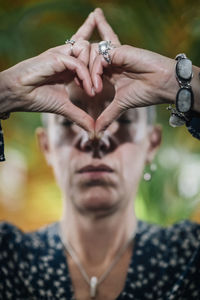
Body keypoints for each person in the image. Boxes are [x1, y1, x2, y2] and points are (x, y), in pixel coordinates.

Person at [0, 8, 200, 300]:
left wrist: (179, 82)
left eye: (124, 120)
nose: (95, 138)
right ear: (46, 146)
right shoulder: (8, 259)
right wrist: (4, 90)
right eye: (69, 121)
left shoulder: (189, 255)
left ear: (152, 144)